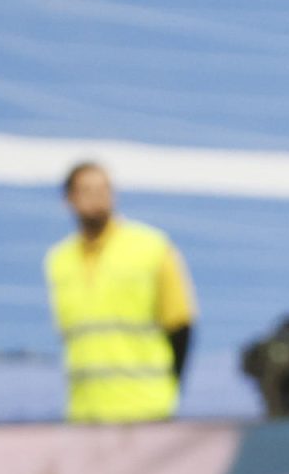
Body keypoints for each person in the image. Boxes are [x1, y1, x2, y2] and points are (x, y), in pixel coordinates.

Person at [45, 162, 197, 423]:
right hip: (84, 412)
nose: (97, 197)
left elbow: (180, 325)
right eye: (87, 189)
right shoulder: (59, 261)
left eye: (104, 188)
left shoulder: (151, 247)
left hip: (146, 407)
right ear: (69, 199)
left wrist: (168, 393)